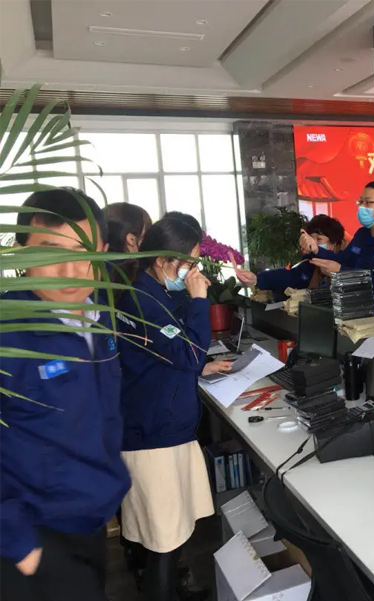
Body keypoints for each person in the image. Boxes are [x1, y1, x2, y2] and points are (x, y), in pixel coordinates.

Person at [0, 188, 131, 601]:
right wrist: (21, 544)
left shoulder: (100, 317)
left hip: (90, 521)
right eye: (50, 252)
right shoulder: (8, 333)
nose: (71, 270)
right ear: (20, 253)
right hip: (30, 539)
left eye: (84, 251)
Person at [115, 215, 221, 601]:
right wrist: (199, 300)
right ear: (163, 261)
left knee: (170, 535)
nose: (193, 271)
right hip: (152, 438)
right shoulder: (142, 300)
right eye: (189, 262)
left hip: (163, 428)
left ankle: (175, 589)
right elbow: (190, 352)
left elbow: (167, 352)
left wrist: (200, 365)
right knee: (163, 544)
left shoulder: (152, 292)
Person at [301, 181, 374, 315]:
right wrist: (317, 249)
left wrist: (342, 271)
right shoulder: (362, 234)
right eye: (360, 202)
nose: (362, 207)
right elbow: (344, 259)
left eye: (368, 202)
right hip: (353, 309)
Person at [232, 214, 347, 293]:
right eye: (311, 238)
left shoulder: (347, 262)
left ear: (335, 243)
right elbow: (288, 276)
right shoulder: (309, 263)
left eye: (319, 239)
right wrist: (257, 279)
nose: (313, 243)